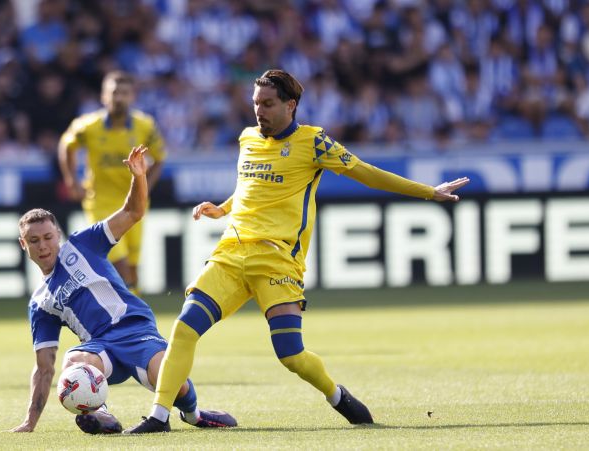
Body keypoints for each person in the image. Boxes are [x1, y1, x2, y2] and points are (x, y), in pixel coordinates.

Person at [124, 69, 470, 433]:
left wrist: (428, 192)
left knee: (290, 354)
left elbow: (366, 172)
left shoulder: (314, 142)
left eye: (268, 104)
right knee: (184, 328)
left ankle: (336, 394)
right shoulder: (246, 139)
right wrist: (222, 209)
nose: (260, 110)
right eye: (256, 103)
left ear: (290, 105)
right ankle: (159, 416)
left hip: (276, 259)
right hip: (231, 252)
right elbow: (249, 187)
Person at [11, 145, 236, 434]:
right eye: (34, 240)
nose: (42, 246)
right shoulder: (40, 303)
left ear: (59, 235)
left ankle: (193, 414)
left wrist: (138, 177)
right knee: (73, 361)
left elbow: (133, 211)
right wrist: (30, 422)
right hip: (100, 347)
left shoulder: (83, 244)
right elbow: (44, 368)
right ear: (23, 244)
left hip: (136, 331)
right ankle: (100, 414)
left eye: (47, 237)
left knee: (170, 380)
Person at [58, 71, 166, 293]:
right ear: (103, 96)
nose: (119, 98)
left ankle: (134, 312)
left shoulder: (145, 126)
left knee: (133, 267)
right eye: (114, 93)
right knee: (120, 263)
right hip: (101, 204)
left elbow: (160, 157)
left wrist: (145, 187)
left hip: (135, 204)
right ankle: (131, 314)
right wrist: (72, 180)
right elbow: (66, 146)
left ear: (132, 97)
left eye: (124, 93)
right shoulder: (88, 126)